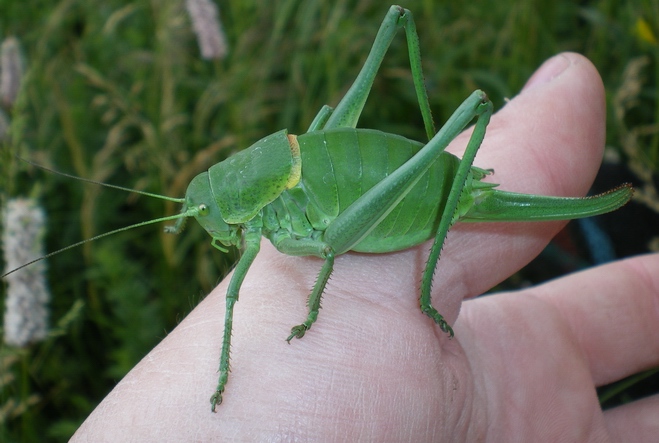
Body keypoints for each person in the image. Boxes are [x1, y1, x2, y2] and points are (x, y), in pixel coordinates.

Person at [71, 53, 659, 442]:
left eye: (206, 213)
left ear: (236, 198)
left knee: (323, 244)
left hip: (385, 198)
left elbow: (324, 253)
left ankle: (429, 267)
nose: (209, 225)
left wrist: (307, 312)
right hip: (336, 171)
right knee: (325, 128)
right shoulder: (258, 191)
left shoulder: (262, 225)